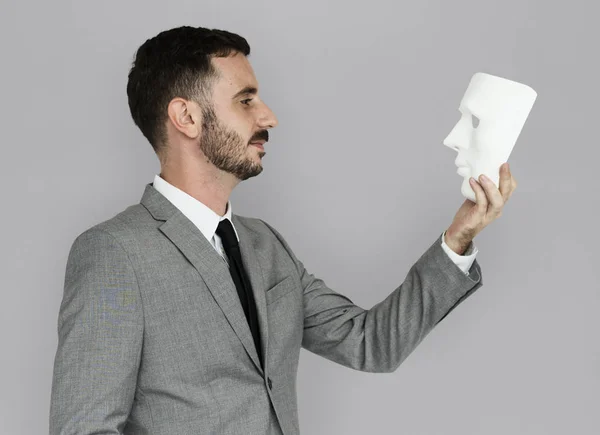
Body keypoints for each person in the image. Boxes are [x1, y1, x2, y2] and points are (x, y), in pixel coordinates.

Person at [49, 26, 517, 435]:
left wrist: (458, 238)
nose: (269, 116)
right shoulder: (113, 253)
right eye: (246, 100)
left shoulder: (265, 245)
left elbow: (370, 343)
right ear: (186, 117)